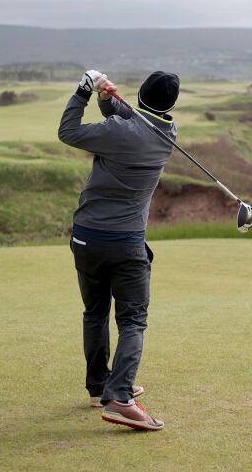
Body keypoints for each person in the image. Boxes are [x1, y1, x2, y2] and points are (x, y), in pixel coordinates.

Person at [58, 69, 180, 431]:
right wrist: (109, 100)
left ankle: (102, 387)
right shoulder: (168, 134)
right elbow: (129, 121)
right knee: (132, 321)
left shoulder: (120, 131)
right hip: (126, 243)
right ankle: (118, 397)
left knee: (95, 312)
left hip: (86, 237)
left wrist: (84, 92)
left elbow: (68, 131)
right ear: (169, 106)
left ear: (140, 96)